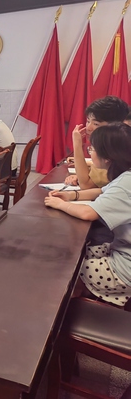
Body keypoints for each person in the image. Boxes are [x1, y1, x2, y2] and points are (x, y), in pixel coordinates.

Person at [44, 123, 131, 306]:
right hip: (122, 248)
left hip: (125, 268)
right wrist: (71, 195)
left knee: (64, 268)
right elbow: (100, 191)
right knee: (78, 253)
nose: (90, 153)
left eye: (92, 149)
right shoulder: (125, 176)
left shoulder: (126, 183)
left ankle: (65, 309)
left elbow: (88, 213)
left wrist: (61, 204)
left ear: (107, 157)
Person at [65, 96, 129, 189]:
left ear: (114, 126)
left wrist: (77, 144)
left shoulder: (112, 150)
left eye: (96, 124)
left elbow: (85, 185)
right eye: (88, 121)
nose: (88, 128)